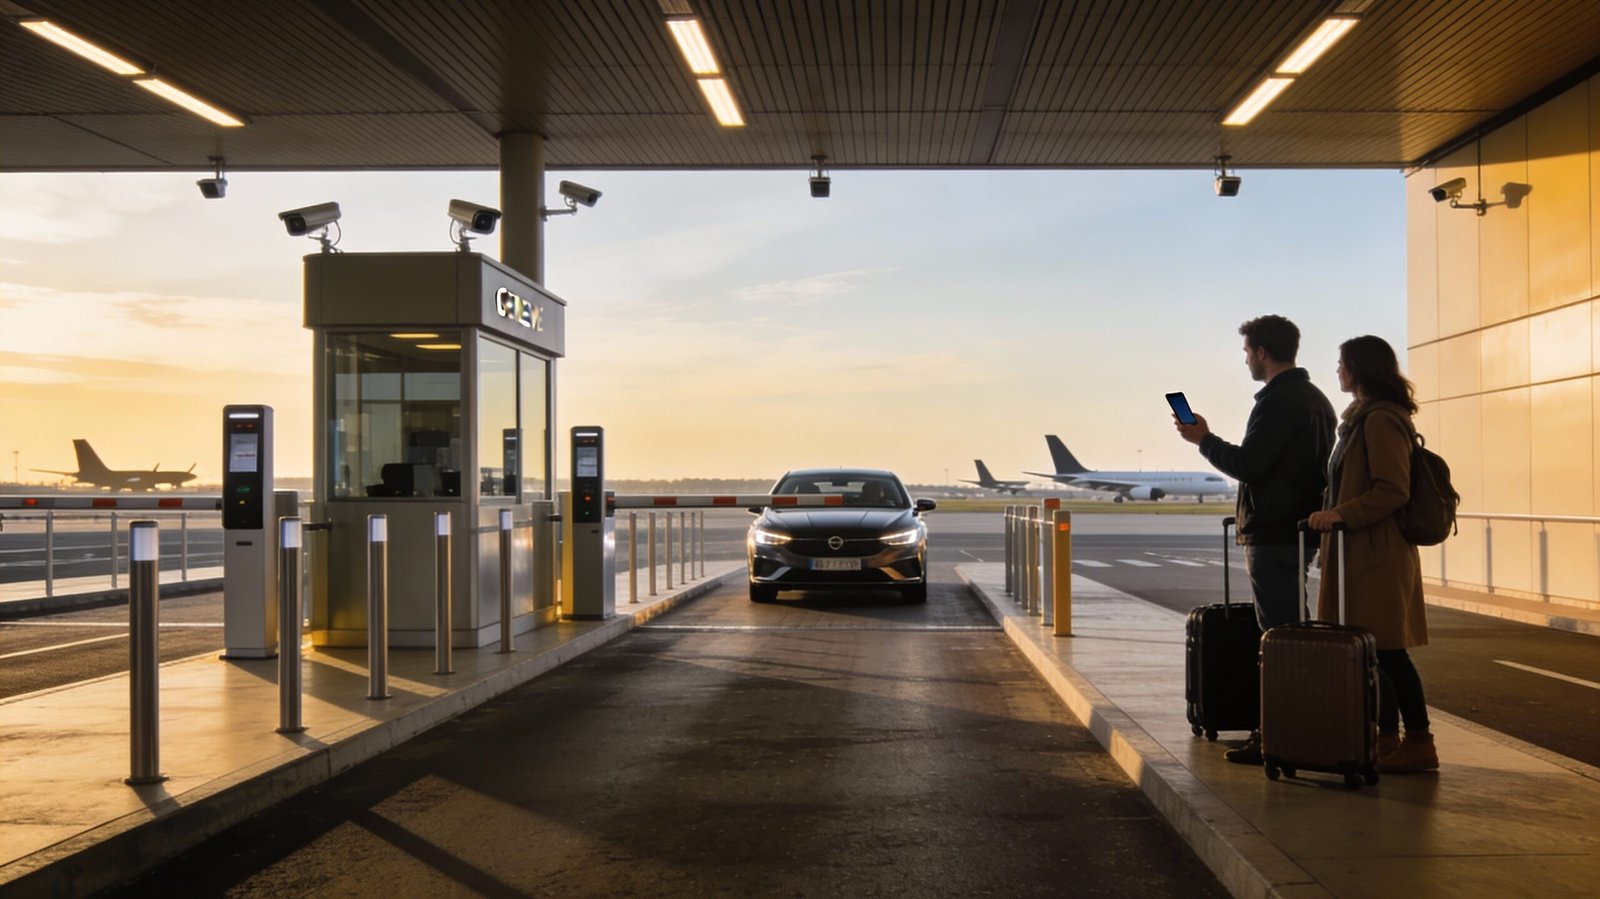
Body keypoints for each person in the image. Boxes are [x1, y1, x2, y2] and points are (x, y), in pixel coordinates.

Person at [1175, 314, 1337, 764]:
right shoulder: (1317, 400)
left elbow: (1250, 465)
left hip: (1274, 534)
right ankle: (1301, 724)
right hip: (1297, 532)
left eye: (1247, 352)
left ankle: (1279, 734)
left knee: (1279, 638)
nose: (1245, 359)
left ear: (1262, 352)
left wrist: (1203, 439)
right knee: (1295, 632)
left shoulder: (1279, 401)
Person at [1306, 335, 1436, 773]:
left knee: (1389, 652)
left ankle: (1419, 742)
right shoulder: (1361, 419)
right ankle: (1386, 739)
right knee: (1375, 652)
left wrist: (1339, 514)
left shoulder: (1380, 420)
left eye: (1342, 364)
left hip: (1377, 554)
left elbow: (1393, 489)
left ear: (1359, 369)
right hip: (1360, 551)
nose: (1338, 371)